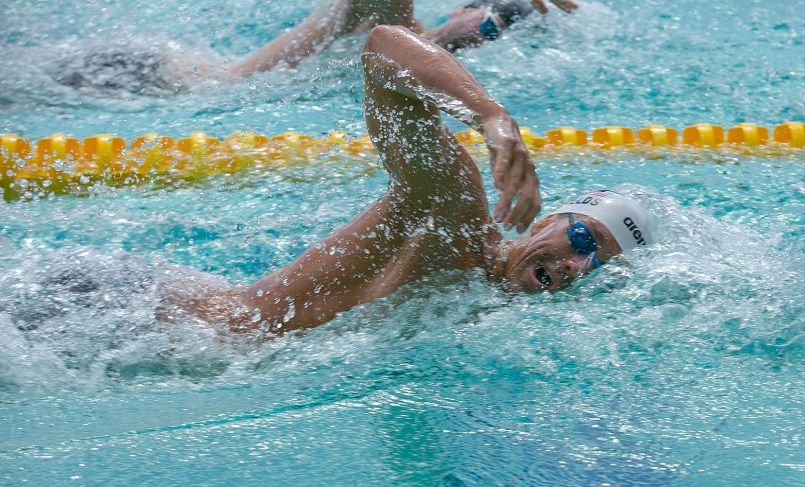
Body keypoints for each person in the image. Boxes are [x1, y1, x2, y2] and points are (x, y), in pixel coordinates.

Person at [160, 25, 655, 334]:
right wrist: (490, 117)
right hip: (157, 324)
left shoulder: (483, 307)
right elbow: (382, 45)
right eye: (580, 237)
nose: (575, 264)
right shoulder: (455, 218)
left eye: (595, 263)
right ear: (545, 220)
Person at [173, 0, 579, 83]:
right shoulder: (389, 19)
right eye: (489, 22)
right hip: (173, 81)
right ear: (460, 12)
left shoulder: (411, 55)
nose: (480, 36)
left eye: (495, 35)